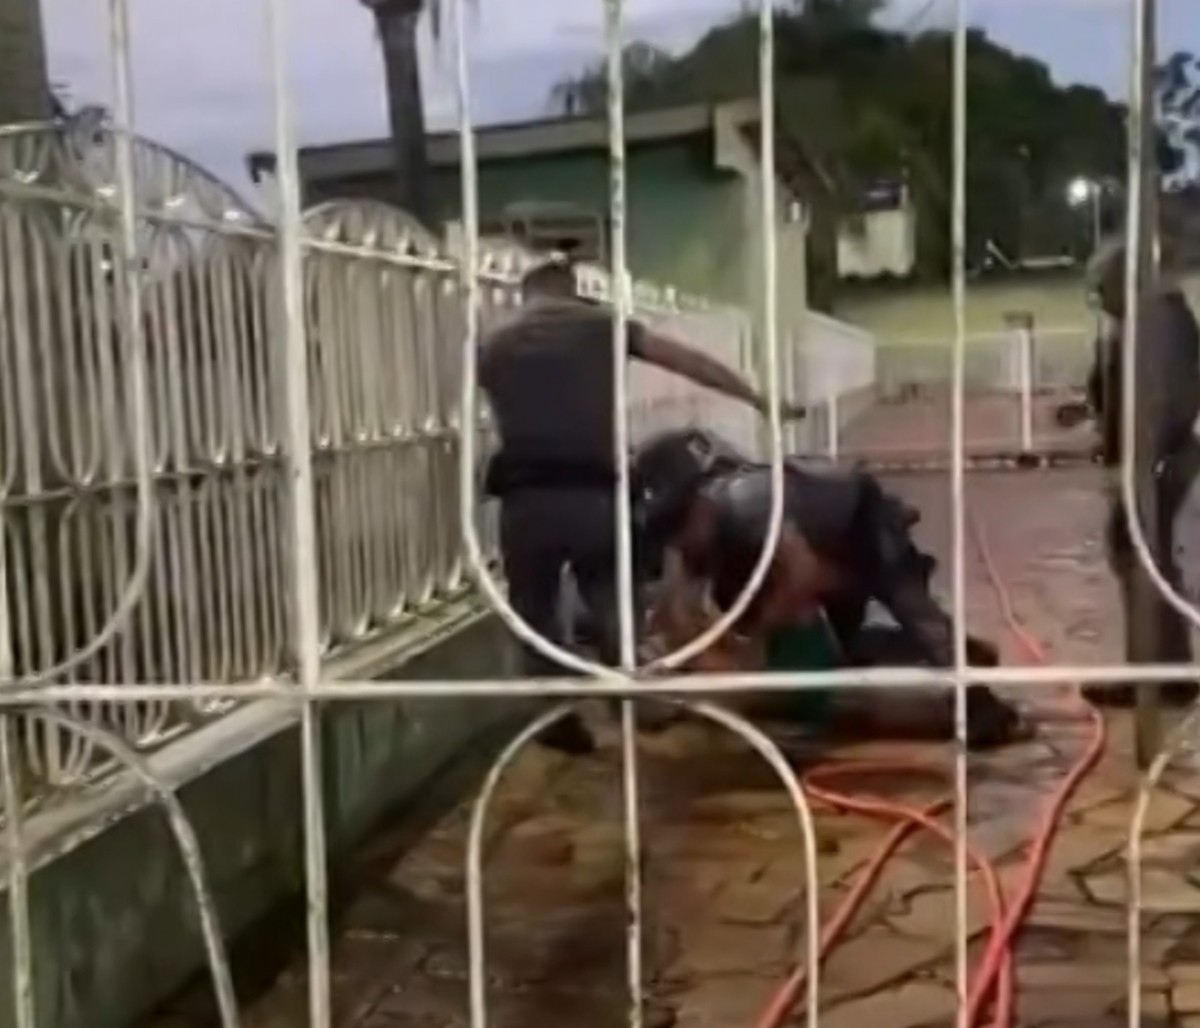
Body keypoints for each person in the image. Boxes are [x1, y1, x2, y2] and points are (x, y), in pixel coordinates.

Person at [479, 257, 805, 754]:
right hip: (595, 497)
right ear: (572, 291)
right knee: (614, 603)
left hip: (526, 504)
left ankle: (555, 717)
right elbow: (689, 362)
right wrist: (760, 399)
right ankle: (631, 702)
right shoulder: (601, 327)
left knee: (535, 617)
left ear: (527, 295)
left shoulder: (494, 344)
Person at [635, 428, 1024, 747]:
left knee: (911, 609)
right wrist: (681, 660)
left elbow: (805, 575)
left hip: (864, 523)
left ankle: (983, 707)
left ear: (699, 505)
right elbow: (679, 606)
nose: (678, 543)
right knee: (842, 646)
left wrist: (756, 640)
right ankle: (951, 650)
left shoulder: (745, 504)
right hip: (820, 540)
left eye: (679, 529)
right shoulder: (702, 531)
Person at [1070, 238, 1200, 708]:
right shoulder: (1144, 321)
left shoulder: (1157, 322)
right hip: (1149, 458)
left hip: (1155, 461)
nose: (1099, 300)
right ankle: (1159, 667)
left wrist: (1136, 460)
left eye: (1101, 288)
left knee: (1144, 558)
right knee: (1142, 557)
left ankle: (1157, 672)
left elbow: (1159, 401)